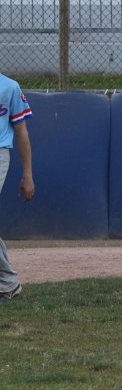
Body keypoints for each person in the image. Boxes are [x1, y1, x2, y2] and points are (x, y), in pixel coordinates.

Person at [0, 72, 33, 304]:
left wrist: (27, 174)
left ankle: (8, 282)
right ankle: (8, 282)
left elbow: (21, 132)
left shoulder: (9, 87)